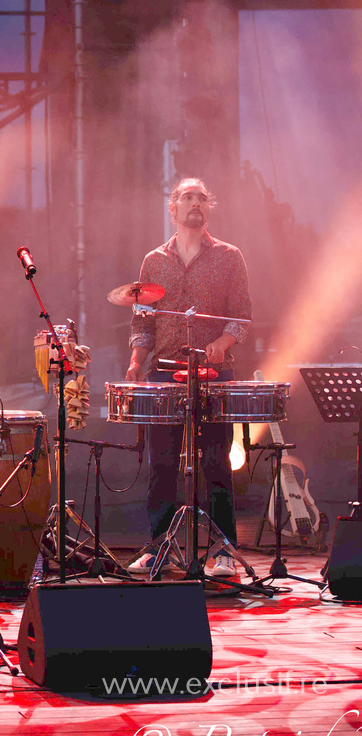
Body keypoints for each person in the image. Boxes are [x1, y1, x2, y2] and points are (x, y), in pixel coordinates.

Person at [125, 177, 252, 579]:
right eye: (186, 197)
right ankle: (158, 546)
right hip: (165, 372)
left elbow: (242, 316)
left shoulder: (230, 257)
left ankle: (224, 551)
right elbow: (143, 321)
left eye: (201, 197)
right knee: (161, 462)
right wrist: (135, 360)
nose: (194, 203)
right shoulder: (153, 261)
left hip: (214, 372)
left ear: (208, 208)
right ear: (173, 208)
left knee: (216, 461)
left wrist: (223, 340)